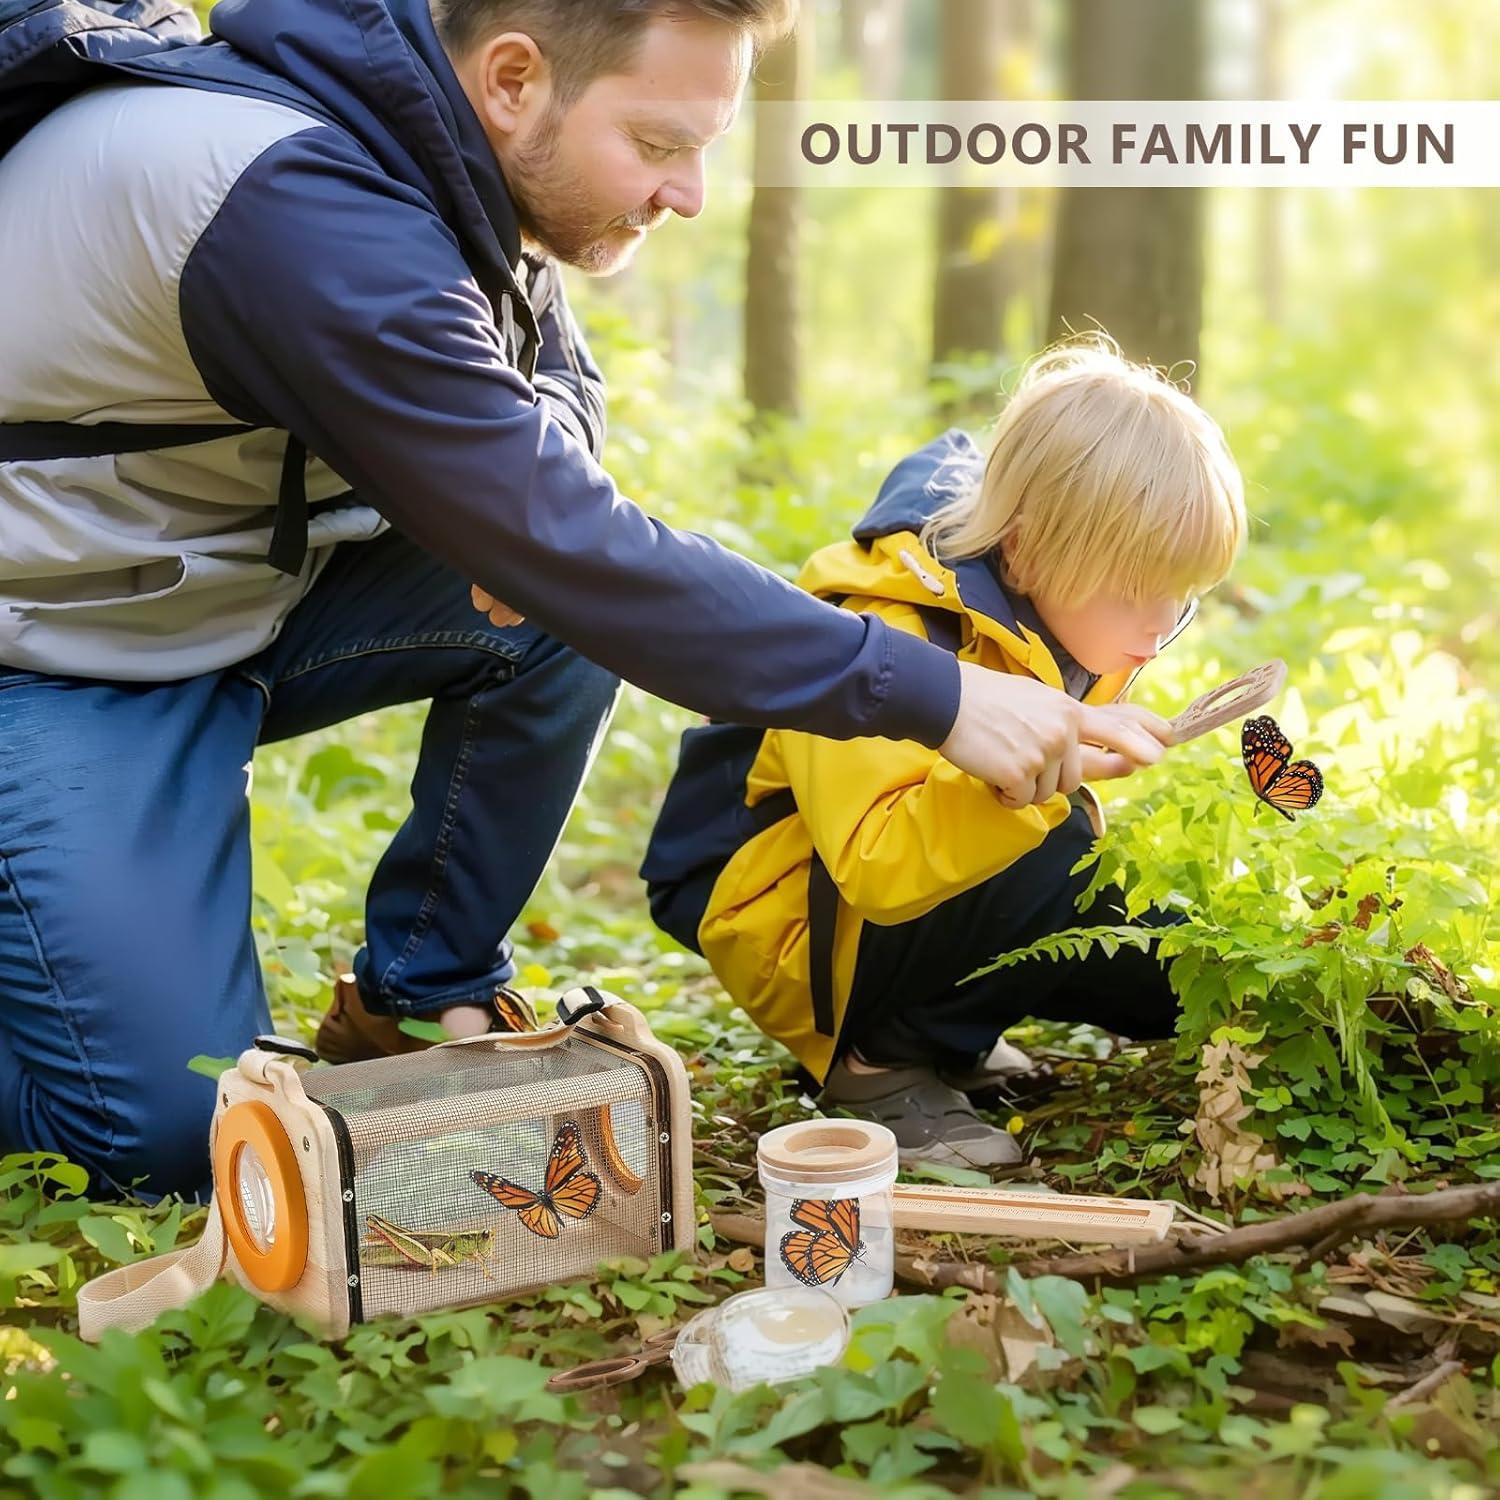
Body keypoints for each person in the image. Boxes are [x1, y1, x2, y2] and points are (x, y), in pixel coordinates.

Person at [0, 0, 1167, 1199]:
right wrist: (932, 693)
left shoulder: (430, 147)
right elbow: (584, 540)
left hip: (219, 587)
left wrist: (522, 498)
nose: (690, 194)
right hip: (61, 646)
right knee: (171, 1131)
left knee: (560, 598)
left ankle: (424, 993)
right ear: (513, 78)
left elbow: (555, 371)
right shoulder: (296, 210)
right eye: (660, 146)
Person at [642, 341, 1247, 1169]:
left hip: (880, 905)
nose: (1157, 624)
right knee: (1057, 843)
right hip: (785, 915)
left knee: (1155, 963)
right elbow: (878, 867)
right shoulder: (885, 632)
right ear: (1031, 551)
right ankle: (878, 1066)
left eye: (1182, 597)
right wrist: (1039, 787)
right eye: (1137, 590)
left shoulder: (1055, 615)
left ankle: (944, 1030)